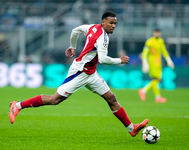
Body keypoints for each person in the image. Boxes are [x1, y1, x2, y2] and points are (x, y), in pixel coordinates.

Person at [9, 11, 148, 137]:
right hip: (80, 72)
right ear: (103, 22)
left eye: (115, 24)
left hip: (91, 73)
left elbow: (75, 31)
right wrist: (120, 60)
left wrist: (72, 47)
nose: (113, 26)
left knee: (111, 98)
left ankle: (132, 128)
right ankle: (18, 105)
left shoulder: (93, 27)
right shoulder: (103, 38)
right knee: (54, 100)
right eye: (111, 23)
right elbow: (103, 59)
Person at [139, 29, 174, 103]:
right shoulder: (149, 41)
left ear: (160, 33)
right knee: (157, 79)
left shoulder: (161, 41)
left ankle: (156, 96)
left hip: (159, 63)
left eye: (158, 33)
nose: (157, 34)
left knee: (156, 80)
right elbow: (145, 52)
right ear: (153, 33)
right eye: (156, 33)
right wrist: (145, 63)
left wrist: (169, 60)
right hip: (152, 62)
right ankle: (144, 91)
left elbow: (164, 51)